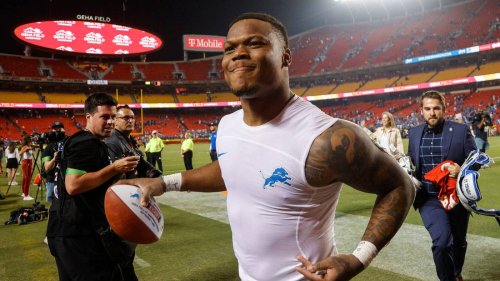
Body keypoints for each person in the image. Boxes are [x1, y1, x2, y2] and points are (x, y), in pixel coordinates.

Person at [118, 13, 415, 281]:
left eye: (254, 43)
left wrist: (358, 259)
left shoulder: (327, 138)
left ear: (285, 57)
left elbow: (399, 187)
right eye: (229, 48)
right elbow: (233, 170)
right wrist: (163, 183)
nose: (238, 54)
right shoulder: (229, 125)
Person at [46, 93, 140, 281]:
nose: (111, 122)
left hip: (67, 231)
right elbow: (74, 185)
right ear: (88, 117)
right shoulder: (86, 142)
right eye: (105, 117)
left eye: (113, 117)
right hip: (77, 235)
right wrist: (115, 168)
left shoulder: (89, 142)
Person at [407, 90, 476, 281]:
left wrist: (462, 169)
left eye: (436, 108)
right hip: (429, 200)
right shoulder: (413, 134)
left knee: (459, 242)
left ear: (444, 109)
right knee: (442, 242)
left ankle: (456, 272)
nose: (432, 112)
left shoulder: (461, 131)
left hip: (456, 198)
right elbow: (411, 164)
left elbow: (476, 160)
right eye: (428, 108)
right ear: (421, 111)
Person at [104, 105, 161, 180]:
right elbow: (116, 176)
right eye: (126, 118)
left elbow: (143, 166)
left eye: (132, 118)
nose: (130, 121)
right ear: (115, 120)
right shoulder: (111, 142)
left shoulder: (129, 140)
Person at [42, 121, 66, 203]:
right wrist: (54, 159)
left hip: (66, 179)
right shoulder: (49, 147)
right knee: (53, 207)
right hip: (52, 180)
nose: (57, 131)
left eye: (60, 129)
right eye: (55, 129)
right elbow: (47, 168)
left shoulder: (68, 143)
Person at [19, 136, 34, 200]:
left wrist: (31, 148)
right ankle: (26, 195)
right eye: (30, 141)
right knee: (27, 179)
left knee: (25, 179)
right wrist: (27, 148)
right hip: (26, 162)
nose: (31, 142)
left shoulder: (29, 146)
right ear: (28, 142)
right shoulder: (25, 147)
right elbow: (20, 153)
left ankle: (23, 192)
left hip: (28, 162)